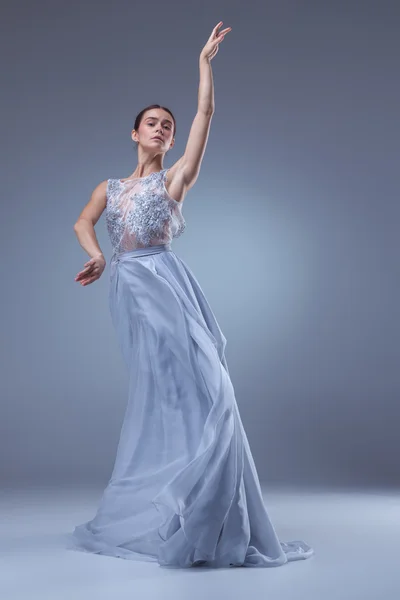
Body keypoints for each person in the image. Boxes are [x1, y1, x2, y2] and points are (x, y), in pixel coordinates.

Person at [68, 22, 314, 568]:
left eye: (168, 126)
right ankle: (176, 502)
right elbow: (84, 222)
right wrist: (99, 254)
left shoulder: (174, 180)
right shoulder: (110, 188)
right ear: (134, 133)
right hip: (129, 284)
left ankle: (202, 501)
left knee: (208, 388)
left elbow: (205, 117)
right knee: (165, 394)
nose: (161, 129)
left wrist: (204, 65)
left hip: (167, 283)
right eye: (152, 123)